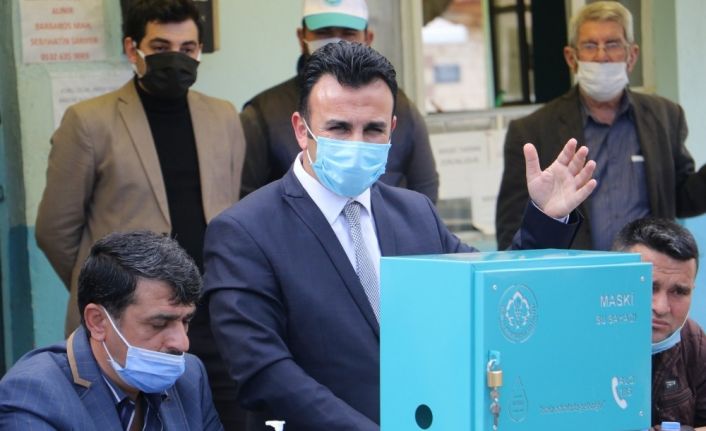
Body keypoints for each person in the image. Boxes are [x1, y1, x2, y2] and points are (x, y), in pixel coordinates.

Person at [203, 41, 596, 431]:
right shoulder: (244, 232)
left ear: (392, 129)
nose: (356, 143)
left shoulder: (415, 214)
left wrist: (547, 217)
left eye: (373, 129)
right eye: (339, 128)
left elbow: (492, 293)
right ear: (301, 130)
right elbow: (264, 373)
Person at [35, 0, 245, 334]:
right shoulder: (88, 121)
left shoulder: (225, 117)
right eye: (160, 47)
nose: (175, 58)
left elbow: (232, 209)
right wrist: (105, 287)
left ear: (199, 50)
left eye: (187, 48)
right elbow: (55, 230)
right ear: (133, 49)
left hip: (213, 313)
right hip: (128, 319)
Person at [496, 1, 706, 251]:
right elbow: (512, 226)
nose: (601, 56)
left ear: (632, 55)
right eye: (590, 45)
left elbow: (683, 198)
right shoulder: (532, 131)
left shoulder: (666, 116)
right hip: (574, 271)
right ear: (571, 58)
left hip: (648, 269)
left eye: (613, 44)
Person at [0, 231, 223, 430]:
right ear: (97, 322)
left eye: (185, 321)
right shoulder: (32, 395)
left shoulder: (189, 376)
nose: (182, 343)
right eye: (159, 324)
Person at [239, 0, 439, 202]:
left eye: (348, 33)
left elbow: (424, 189)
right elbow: (250, 202)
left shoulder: (402, 109)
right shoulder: (263, 114)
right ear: (302, 37)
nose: (336, 42)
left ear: (368, 38)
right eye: (323, 32)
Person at [613, 218, 706, 429]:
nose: (661, 307)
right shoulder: (580, 345)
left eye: (679, 291)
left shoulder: (693, 341)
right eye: (648, 286)